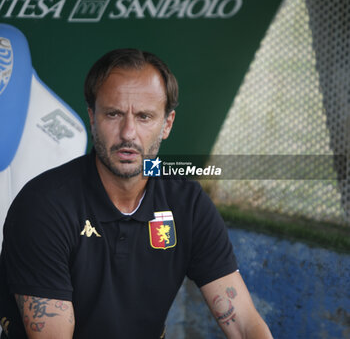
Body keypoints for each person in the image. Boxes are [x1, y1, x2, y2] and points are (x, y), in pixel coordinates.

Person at [0, 49, 273, 339]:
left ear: (166, 125)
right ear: (92, 117)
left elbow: (244, 324)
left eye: (144, 117)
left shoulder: (187, 201)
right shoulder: (44, 206)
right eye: (114, 114)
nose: (128, 133)